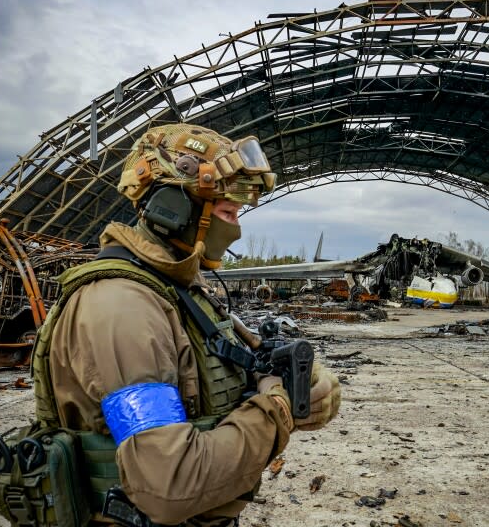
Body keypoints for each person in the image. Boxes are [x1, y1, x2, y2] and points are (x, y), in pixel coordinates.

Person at [31, 123, 340, 526]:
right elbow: (169, 484)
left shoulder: (179, 292)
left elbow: (251, 362)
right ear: (172, 208)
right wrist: (279, 410)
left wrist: (309, 382)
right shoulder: (122, 309)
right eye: (227, 211)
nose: (237, 227)